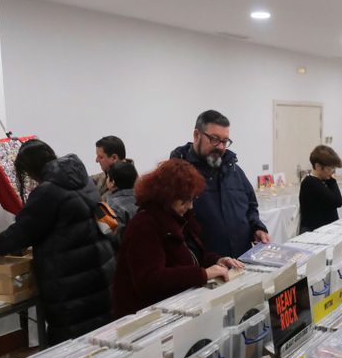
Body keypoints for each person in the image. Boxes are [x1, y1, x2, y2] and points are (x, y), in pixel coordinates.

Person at [0, 139, 115, 345]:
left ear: (31, 169)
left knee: (73, 350)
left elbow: (23, 230)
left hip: (73, 284)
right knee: (101, 342)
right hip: (99, 272)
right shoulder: (82, 179)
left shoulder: (48, 191)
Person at [112, 159, 244, 317]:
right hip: (146, 316)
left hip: (179, 305)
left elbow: (190, 257)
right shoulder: (144, 225)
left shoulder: (180, 218)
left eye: (192, 199)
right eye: (185, 201)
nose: (190, 206)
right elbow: (150, 281)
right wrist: (203, 274)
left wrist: (216, 261)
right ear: (166, 197)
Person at [170, 110, 269, 258]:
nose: (221, 147)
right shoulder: (178, 174)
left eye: (225, 141)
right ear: (197, 135)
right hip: (206, 270)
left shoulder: (234, 170)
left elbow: (251, 206)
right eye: (214, 139)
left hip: (242, 262)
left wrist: (257, 227)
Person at [298, 146, 342, 233]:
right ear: (318, 166)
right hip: (314, 232)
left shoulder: (324, 180)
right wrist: (332, 180)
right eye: (330, 168)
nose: (333, 172)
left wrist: (330, 179)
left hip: (326, 229)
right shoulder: (310, 182)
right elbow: (337, 202)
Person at [105, 161, 139, 238]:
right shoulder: (142, 200)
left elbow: (112, 236)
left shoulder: (113, 207)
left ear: (112, 182)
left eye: (107, 177)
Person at [92, 135, 128, 200]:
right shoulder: (104, 175)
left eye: (100, 157)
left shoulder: (132, 188)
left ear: (114, 158)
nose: (96, 160)